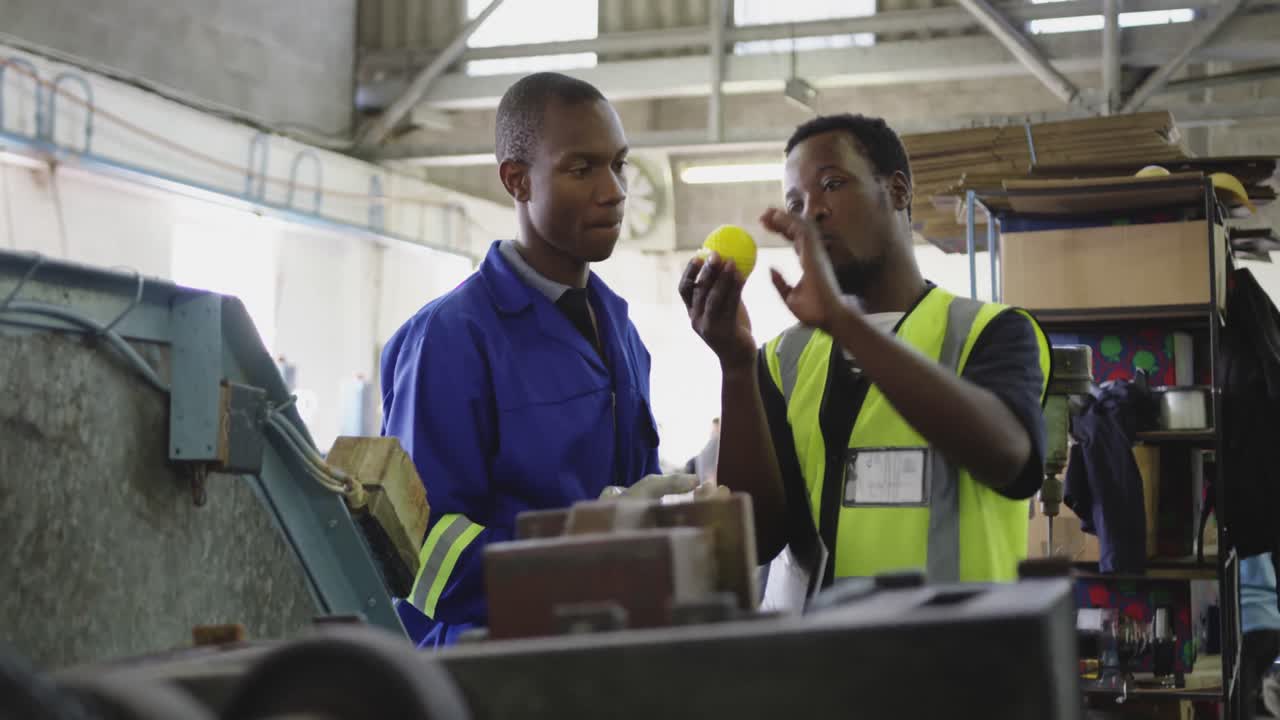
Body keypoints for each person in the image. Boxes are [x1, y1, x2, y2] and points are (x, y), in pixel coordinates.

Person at [381, 72, 696, 648]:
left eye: (618, 165)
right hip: (491, 666)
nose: (614, 191)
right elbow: (422, 557)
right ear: (518, 180)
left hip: (607, 651)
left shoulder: (621, 332)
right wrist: (584, 549)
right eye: (582, 169)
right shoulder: (452, 339)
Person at [680, 113, 1051, 590]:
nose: (812, 212)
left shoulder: (990, 332)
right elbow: (756, 538)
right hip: (826, 640)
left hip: (953, 638)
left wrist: (844, 323)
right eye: (795, 203)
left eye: (832, 184)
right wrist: (735, 364)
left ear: (897, 191)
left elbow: (1010, 460)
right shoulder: (781, 360)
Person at [1241, 553, 1280, 717]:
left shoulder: (1235, 545)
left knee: (1243, 704)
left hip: (1249, 623)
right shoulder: (1267, 543)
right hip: (1274, 624)